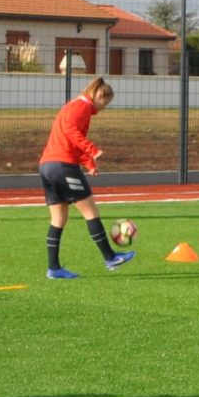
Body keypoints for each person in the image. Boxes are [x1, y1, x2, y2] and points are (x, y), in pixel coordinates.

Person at [39, 76, 129, 279]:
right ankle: (110, 257)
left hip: (47, 166)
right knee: (91, 212)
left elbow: (70, 139)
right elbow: (71, 132)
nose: (104, 107)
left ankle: (54, 269)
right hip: (63, 166)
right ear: (98, 95)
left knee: (58, 219)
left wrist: (89, 163)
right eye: (105, 102)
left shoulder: (74, 106)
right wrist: (93, 149)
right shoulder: (82, 106)